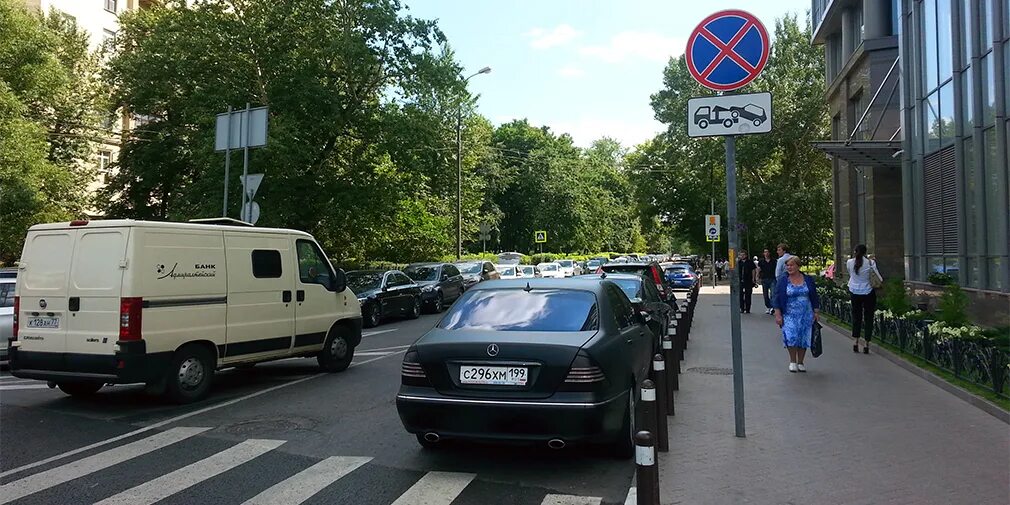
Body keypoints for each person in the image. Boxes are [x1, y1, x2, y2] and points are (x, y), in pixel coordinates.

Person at [773, 256, 820, 373]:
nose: (789, 267)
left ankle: (801, 362)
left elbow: (814, 295)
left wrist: (816, 311)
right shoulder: (783, 280)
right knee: (790, 336)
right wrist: (777, 314)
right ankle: (793, 361)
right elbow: (776, 297)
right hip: (789, 313)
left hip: (806, 313)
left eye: (791, 265)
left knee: (803, 337)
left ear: (798, 266)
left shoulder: (807, 279)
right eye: (787, 265)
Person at [847, 244, 881, 354]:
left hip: (854, 291)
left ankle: (855, 342)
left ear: (855, 251)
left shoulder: (849, 262)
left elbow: (850, 274)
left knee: (856, 317)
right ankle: (866, 344)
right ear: (865, 252)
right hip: (868, 292)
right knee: (868, 317)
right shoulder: (870, 263)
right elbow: (879, 278)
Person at [757, 248, 777, 314]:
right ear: (763, 253)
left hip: (772, 278)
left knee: (773, 294)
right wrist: (757, 277)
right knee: (765, 295)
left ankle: (772, 307)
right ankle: (768, 306)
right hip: (764, 279)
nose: (766, 253)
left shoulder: (774, 261)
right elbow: (759, 269)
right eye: (765, 252)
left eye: (767, 252)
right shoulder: (761, 261)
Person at [738, 249, 756, 313]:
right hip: (740, 281)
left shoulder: (750, 262)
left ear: (746, 255)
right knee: (740, 295)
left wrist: (753, 279)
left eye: (743, 255)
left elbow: (753, 270)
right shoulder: (739, 262)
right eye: (741, 255)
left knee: (748, 295)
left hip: (748, 280)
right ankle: (742, 308)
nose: (742, 256)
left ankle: (748, 308)